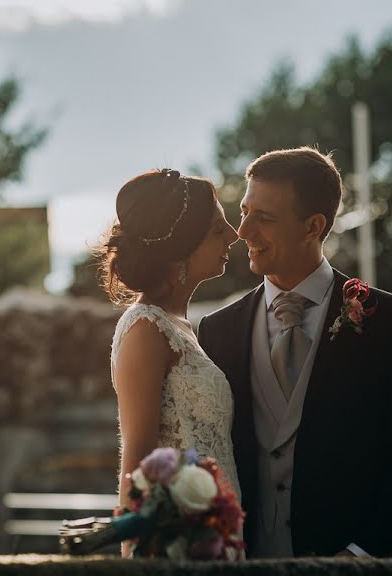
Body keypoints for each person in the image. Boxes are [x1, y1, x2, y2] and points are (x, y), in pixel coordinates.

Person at [197, 147, 392, 558]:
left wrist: (364, 554)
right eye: (244, 210)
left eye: (264, 217)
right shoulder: (219, 329)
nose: (243, 230)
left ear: (313, 226)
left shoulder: (391, 321)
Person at [99, 168, 241, 556]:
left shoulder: (183, 327)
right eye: (217, 229)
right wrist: (137, 558)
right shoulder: (146, 328)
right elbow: (137, 456)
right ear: (181, 247)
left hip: (215, 538)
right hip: (176, 546)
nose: (235, 234)